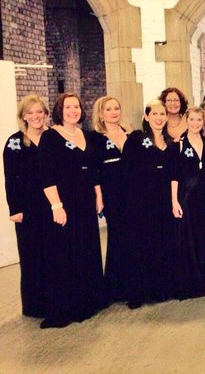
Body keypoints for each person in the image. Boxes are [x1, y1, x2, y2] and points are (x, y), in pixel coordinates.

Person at [38, 93, 107, 328]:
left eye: (76, 107)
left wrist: (98, 196)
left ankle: (87, 301)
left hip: (85, 201)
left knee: (86, 248)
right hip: (64, 202)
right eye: (68, 107)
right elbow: (46, 175)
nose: (73, 111)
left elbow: (94, 170)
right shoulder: (50, 137)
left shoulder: (84, 134)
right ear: (60, 110)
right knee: (65, 253)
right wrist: (56, 205)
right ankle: (67, 306)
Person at [122, 99, 174, 309]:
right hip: (140, 202)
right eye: (155, 114)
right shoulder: (136, 139)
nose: (159, 118)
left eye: (162, 114)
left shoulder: (171, 142)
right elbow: (126, 171)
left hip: (163, 202)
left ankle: (158, 289)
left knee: (160, 245)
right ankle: (137, 292)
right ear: (146, 116)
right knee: (139, 246)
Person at [3, 95, 49, 318]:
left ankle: (55, 300)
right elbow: (10, 178)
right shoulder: (15, 142)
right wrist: (15, 208)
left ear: (46, 114)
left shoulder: (53, 138)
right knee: (31, 254)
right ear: (23, 116)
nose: (35, 116)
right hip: (28, 207)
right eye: (30, 112)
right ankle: (34, 305)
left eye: (39, 111)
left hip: (52, 205)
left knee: (52, 253)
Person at [171, 106, 205, 298]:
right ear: (187, 120)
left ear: (203, 121)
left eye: (199, 120)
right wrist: (174, 201)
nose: (195, 123)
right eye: (192, 119)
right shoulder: (179, 145)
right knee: (189, 239)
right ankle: (192, 283)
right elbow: (174, 176)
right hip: (187, 197)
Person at [90, 96, 130, 301]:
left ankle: (133, 284)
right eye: (109, 109)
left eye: (116, 108)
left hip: (132, 193)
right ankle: (116, 287)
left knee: (132, 237)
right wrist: (99, 196)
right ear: (100, 113)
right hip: (112, 193)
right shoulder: (95, 138)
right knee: (117, 236)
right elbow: (94, 171)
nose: (114, 112)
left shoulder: (129, 134)